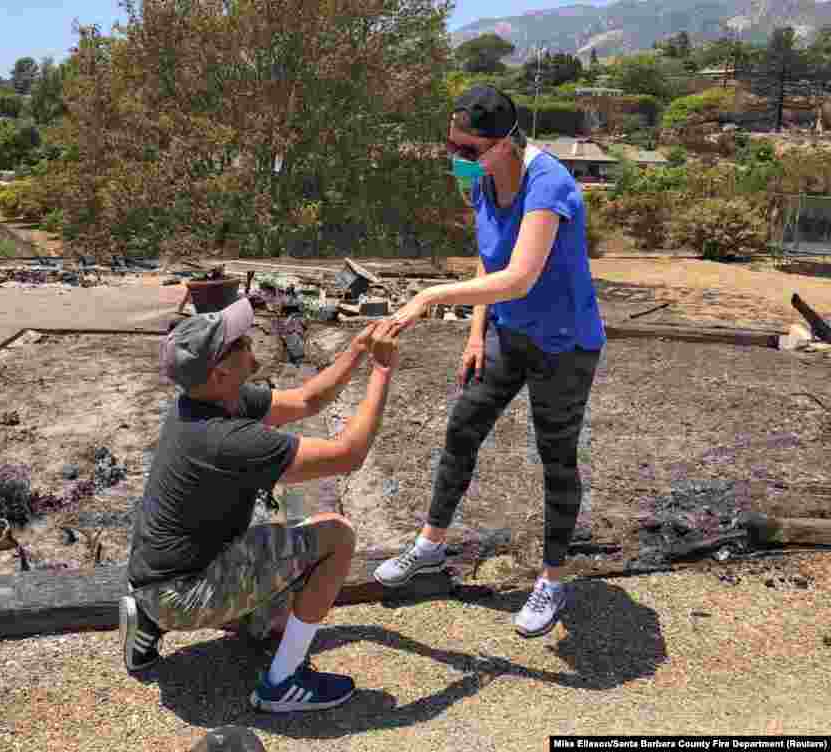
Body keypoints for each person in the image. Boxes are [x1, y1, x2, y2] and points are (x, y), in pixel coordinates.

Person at [373, 84, 606, 639]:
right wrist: (477, 332)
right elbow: (488, 257)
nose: (459, 159)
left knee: (555, 457)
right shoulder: (481, 183)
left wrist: (429, 298)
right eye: (452, 146)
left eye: (470, 150)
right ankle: (430, 544)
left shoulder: (548, 184)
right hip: (507, 332)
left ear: (506, 143)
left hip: (565, 344)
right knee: (462, 427)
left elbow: (521, 274)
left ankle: (553, 578)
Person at [121, 297, 401, 713]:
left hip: (160, 578)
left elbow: (309, 400)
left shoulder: (209, 402)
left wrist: (357, 349)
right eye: (241, 343)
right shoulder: (226, 440)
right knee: (336, 536)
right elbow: (349, 455)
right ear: (220, 371)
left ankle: (149, 620)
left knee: (282, 576)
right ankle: (283, 683)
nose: (252, 342)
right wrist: (382, 370)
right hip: (183, 592)